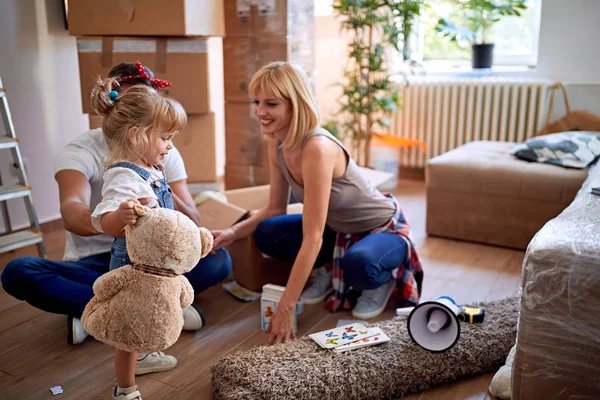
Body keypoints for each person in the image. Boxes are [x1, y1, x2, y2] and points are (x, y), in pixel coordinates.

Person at [1, 62, 231, 373]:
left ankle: (109, 313)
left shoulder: (162, 149)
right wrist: (114, 220)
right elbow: (71, 212)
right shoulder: (85, 152)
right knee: (19, 271)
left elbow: (189, 213)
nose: (167, 140)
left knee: (220, 259)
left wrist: (158, 184)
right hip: (98, 262)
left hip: (154, 263)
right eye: (135, 107)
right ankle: (133, 313)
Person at [211, 62, 423, 345]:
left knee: (358, 264)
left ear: (295, 104)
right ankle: (326, 270)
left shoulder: (317, 148)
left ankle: (379, 282)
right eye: (257, 102)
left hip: (381, 229)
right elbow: (274, 208)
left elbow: (312, 237)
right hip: (335, 230)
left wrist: (285, 306)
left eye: (271, 104)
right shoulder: (276, 143)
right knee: (267, 232)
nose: (260, 112)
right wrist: (231, 233)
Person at [87, 73, 191, 400]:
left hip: (156, 267)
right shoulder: (122, 177)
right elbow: (104, 220)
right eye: (165, 138)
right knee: (128, 335)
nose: (170, 146)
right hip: (133, 265)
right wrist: (121, 216)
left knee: (150, 315)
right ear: (137, 136)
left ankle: (145, 355)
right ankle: (125, 388)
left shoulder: (153, 169)